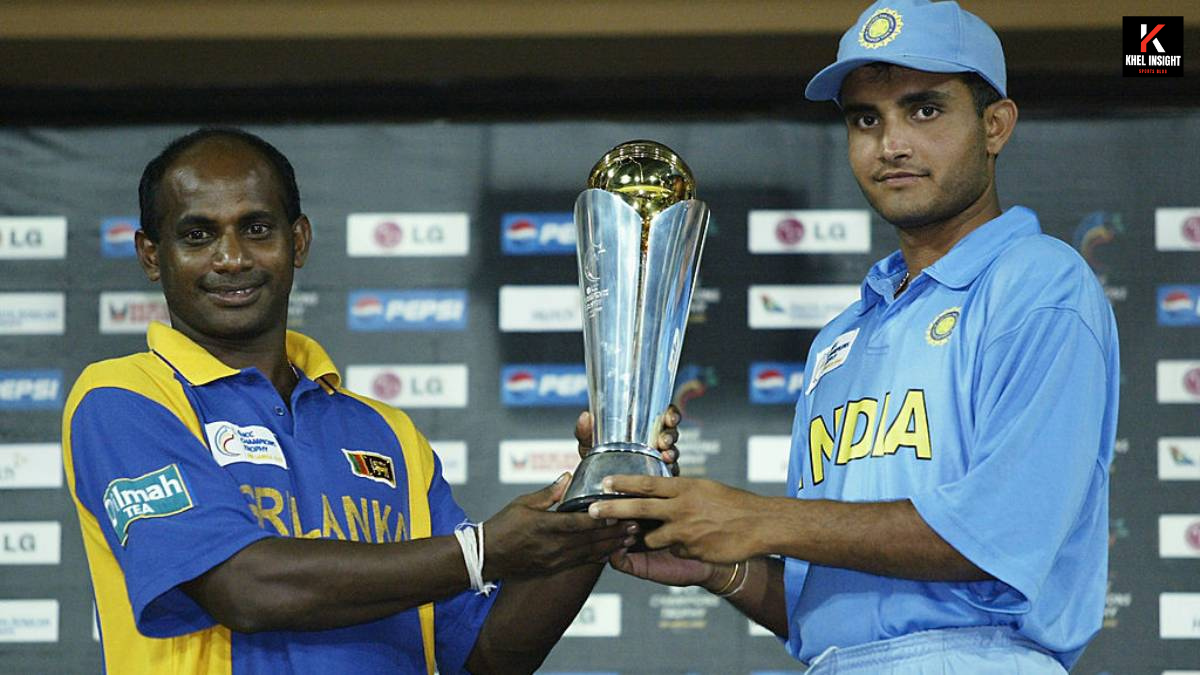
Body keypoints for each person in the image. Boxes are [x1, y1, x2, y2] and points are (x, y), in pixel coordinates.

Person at [585, 1, 1119, 672]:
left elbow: (998, 535)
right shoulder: (844, 334)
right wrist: (719, 562)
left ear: (995, 125)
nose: (891, 143)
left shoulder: (1039, 283)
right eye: (866, 118)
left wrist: (758, 518)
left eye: (923, 110)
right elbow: (829, 610)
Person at [62, 127, 677, 674]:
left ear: (298, 241)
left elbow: (483, 654)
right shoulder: (126, 397)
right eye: (198, 235)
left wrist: (603, 497)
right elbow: (245, 590)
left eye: (257, 228)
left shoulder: (386, 433)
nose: (232, 258)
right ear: (151, 255)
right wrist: (482, 552)